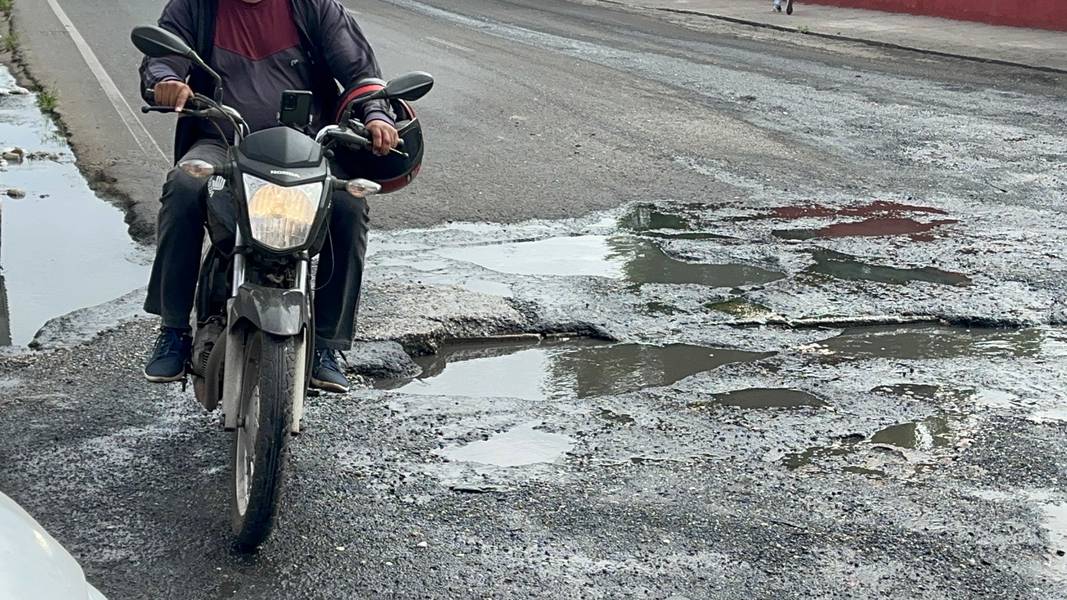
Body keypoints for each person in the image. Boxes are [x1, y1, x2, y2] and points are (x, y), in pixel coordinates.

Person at [139, 0, 399, 393]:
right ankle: (173, 330)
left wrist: (378, 114)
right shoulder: (195, 6)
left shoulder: (314, 8)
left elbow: (361, 72)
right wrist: (166, 81)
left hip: (307, 148)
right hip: (224, 139)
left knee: (349, 203)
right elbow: (164, 57)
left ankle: (327, 346)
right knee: (184, 185)